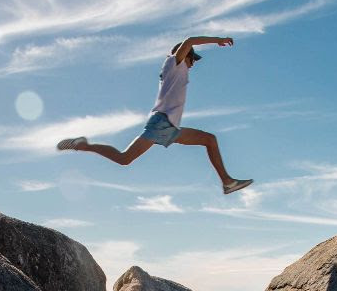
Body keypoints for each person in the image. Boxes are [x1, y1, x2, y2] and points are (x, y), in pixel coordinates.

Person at [56, 36, 253, 195]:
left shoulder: (177, 71)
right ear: (185, 56)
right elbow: (189, 41)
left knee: (209, 140)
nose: (193, 64)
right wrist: (218, 40)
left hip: (171, 128)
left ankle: (227, 182)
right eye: (193, 59)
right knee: (125, 158)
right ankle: (83, 145)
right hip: (162, 123)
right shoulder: (174, 64)